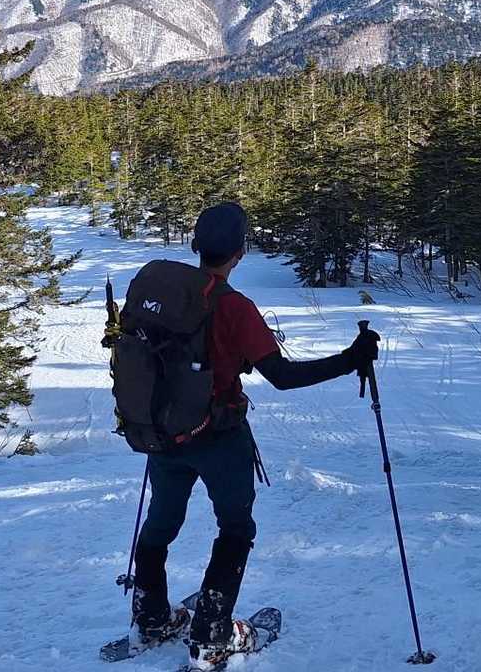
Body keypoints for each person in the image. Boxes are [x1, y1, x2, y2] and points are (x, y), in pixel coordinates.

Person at [129, 201, 380, 669]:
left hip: (163, 435)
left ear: (195, 245)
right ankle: (212, 635)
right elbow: (282, 376)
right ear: (240, 253)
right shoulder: (234, 307)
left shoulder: (164, 291)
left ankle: (151, 618)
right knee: (236, 528)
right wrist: (351, 359)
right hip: (219, 437)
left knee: (161, 523)